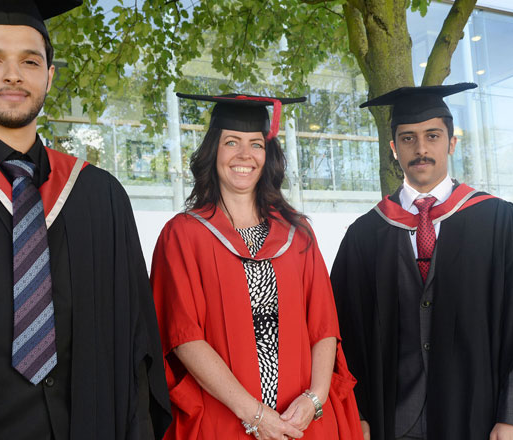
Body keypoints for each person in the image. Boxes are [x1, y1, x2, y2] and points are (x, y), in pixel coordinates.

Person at [0, 0, 171, 438]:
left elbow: (135, 350)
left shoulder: (99, 196)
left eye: (30, 60)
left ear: (49, 75)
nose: (13, 74)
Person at [330, 84, 513, 440]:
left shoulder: (500, 222)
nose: (421, 148)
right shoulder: (366, 234)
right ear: (393, 149)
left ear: (452, 142)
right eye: (408, 138)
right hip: (391, 422)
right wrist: (360, 414)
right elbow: (345, 334)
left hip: (479, 417)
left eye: (432, 135)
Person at [150, 93, 363, 440]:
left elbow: (324, 327)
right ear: (212, 152)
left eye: (256, 144)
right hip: (222, 422)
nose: (244, 155)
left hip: (304, 423)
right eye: (231, 142)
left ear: (269, 155)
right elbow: (183, 337)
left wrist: (315, 399)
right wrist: (255, 414)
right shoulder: (183, 235)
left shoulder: (297, 234)